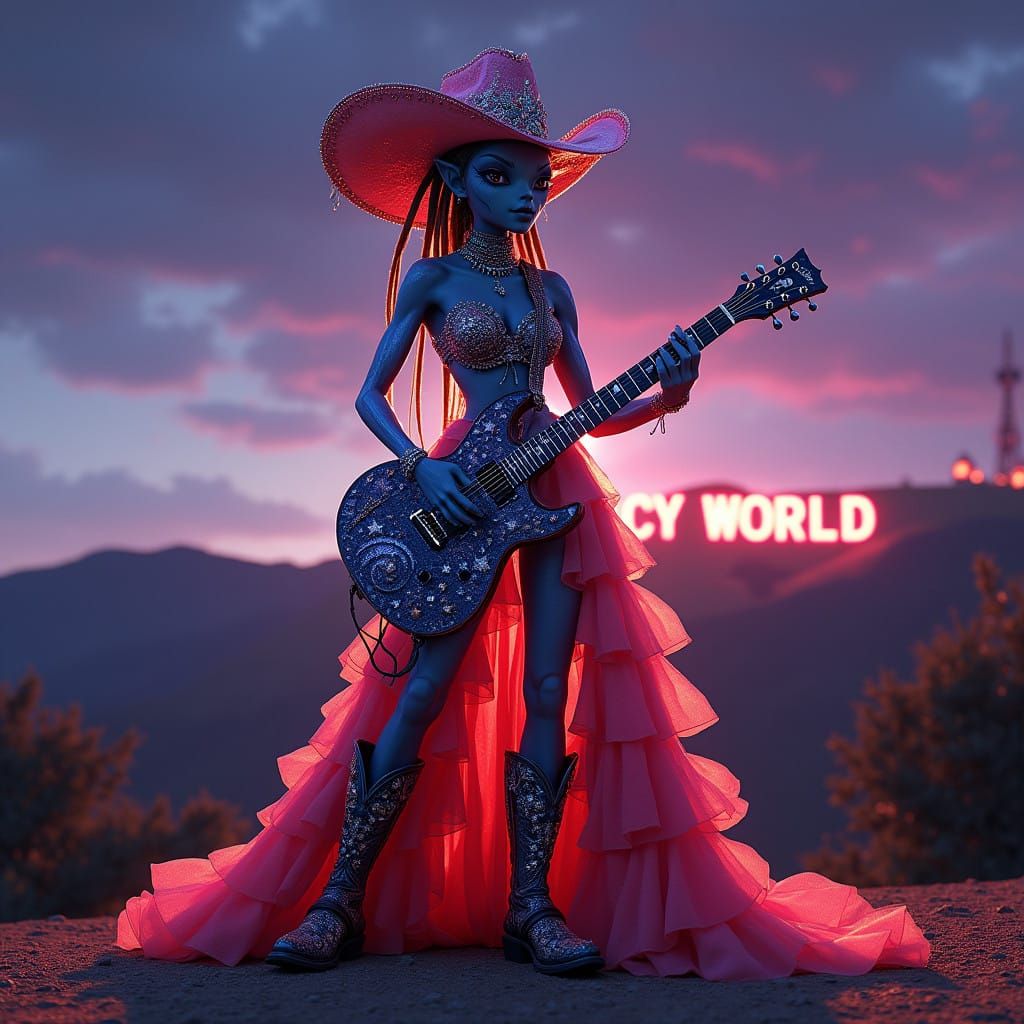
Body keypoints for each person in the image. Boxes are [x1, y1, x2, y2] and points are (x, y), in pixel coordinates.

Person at [115, 47, 932, 980]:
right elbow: (369, 396)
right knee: (421, 688)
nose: (523, 192)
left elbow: (592, 405)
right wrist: (421, 469)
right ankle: (338, 898)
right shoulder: (432, 282)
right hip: (462, 483)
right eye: (501, 175)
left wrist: (671, 391)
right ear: (458, 180)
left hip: (555, 488)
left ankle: (530, 907)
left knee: (551, 691)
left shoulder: (554, 293)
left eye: (536, 179)